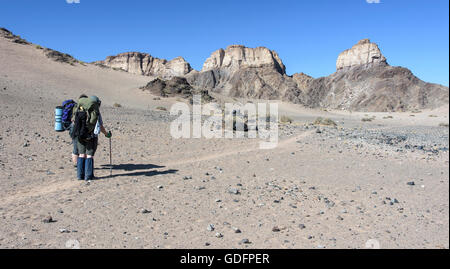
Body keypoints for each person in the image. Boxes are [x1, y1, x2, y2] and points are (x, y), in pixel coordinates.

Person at [74, 95, 111, 182]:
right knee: (89, 155)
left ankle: (80, 176)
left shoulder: (79, 109)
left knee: (81, 154)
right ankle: (88, 176)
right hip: (91, 136)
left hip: (79, 135)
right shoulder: (95, 112)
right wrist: (107, 134)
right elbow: (100, 126)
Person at [70, 94, 88, 167]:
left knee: (75, 147)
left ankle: (76, 165)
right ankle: (82, 165)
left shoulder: (75, 107)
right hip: (83, 130)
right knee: (84, 148)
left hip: (74, 129)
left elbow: (72, 119)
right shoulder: (87, 108)